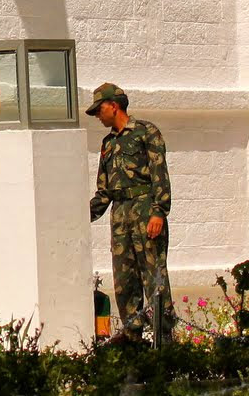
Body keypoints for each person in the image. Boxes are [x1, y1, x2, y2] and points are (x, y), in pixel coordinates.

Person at [87, 82, 175, 343]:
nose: (97, 116)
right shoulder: (108, 143)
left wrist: (159, 211)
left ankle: (164, 336)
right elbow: (103, 190)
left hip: (145, 210)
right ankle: (132, 334)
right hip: (120, 214)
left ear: (114, 106)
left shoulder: (145, 132)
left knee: (153, 275)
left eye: (99, 109)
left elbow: (160, 174)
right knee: (124, 279)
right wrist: (80, 217)